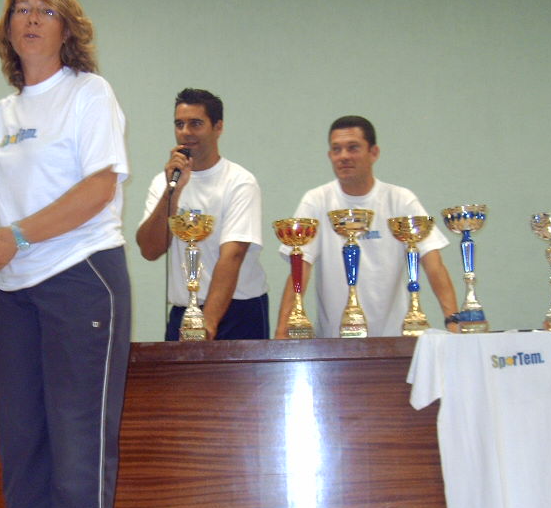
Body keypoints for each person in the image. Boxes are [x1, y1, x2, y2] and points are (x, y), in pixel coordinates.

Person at [0, 0, 131, 508]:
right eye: (21, 10)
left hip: (83, 274)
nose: (31, 19)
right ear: (8, 28)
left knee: (80, 428)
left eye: (45, 11)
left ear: (68, 27)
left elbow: (98, 189)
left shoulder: (89, 94)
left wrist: (19, 235)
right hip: (18, 291)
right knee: (23, 433)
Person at [275, 115, 458, 338]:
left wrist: (453, 322)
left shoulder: (400, 200)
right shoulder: (316, 201)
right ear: (330, 155)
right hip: (334, 342)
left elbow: (433, 263)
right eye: (336, 149)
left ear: (374, 153)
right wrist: (281, 333)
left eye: (353, 148)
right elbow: (299, 268)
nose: (344, 156)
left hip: (396, 340)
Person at [136, 88, 268, 340]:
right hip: (184, 311)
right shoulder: (164, 183)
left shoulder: (239, 182)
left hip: (237, 311)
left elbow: (233, 256)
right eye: (179, 124)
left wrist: (207, 325)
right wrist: (172, 192)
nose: (186, 132)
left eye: (196, 124)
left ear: (218, 127)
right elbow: (150, 250)